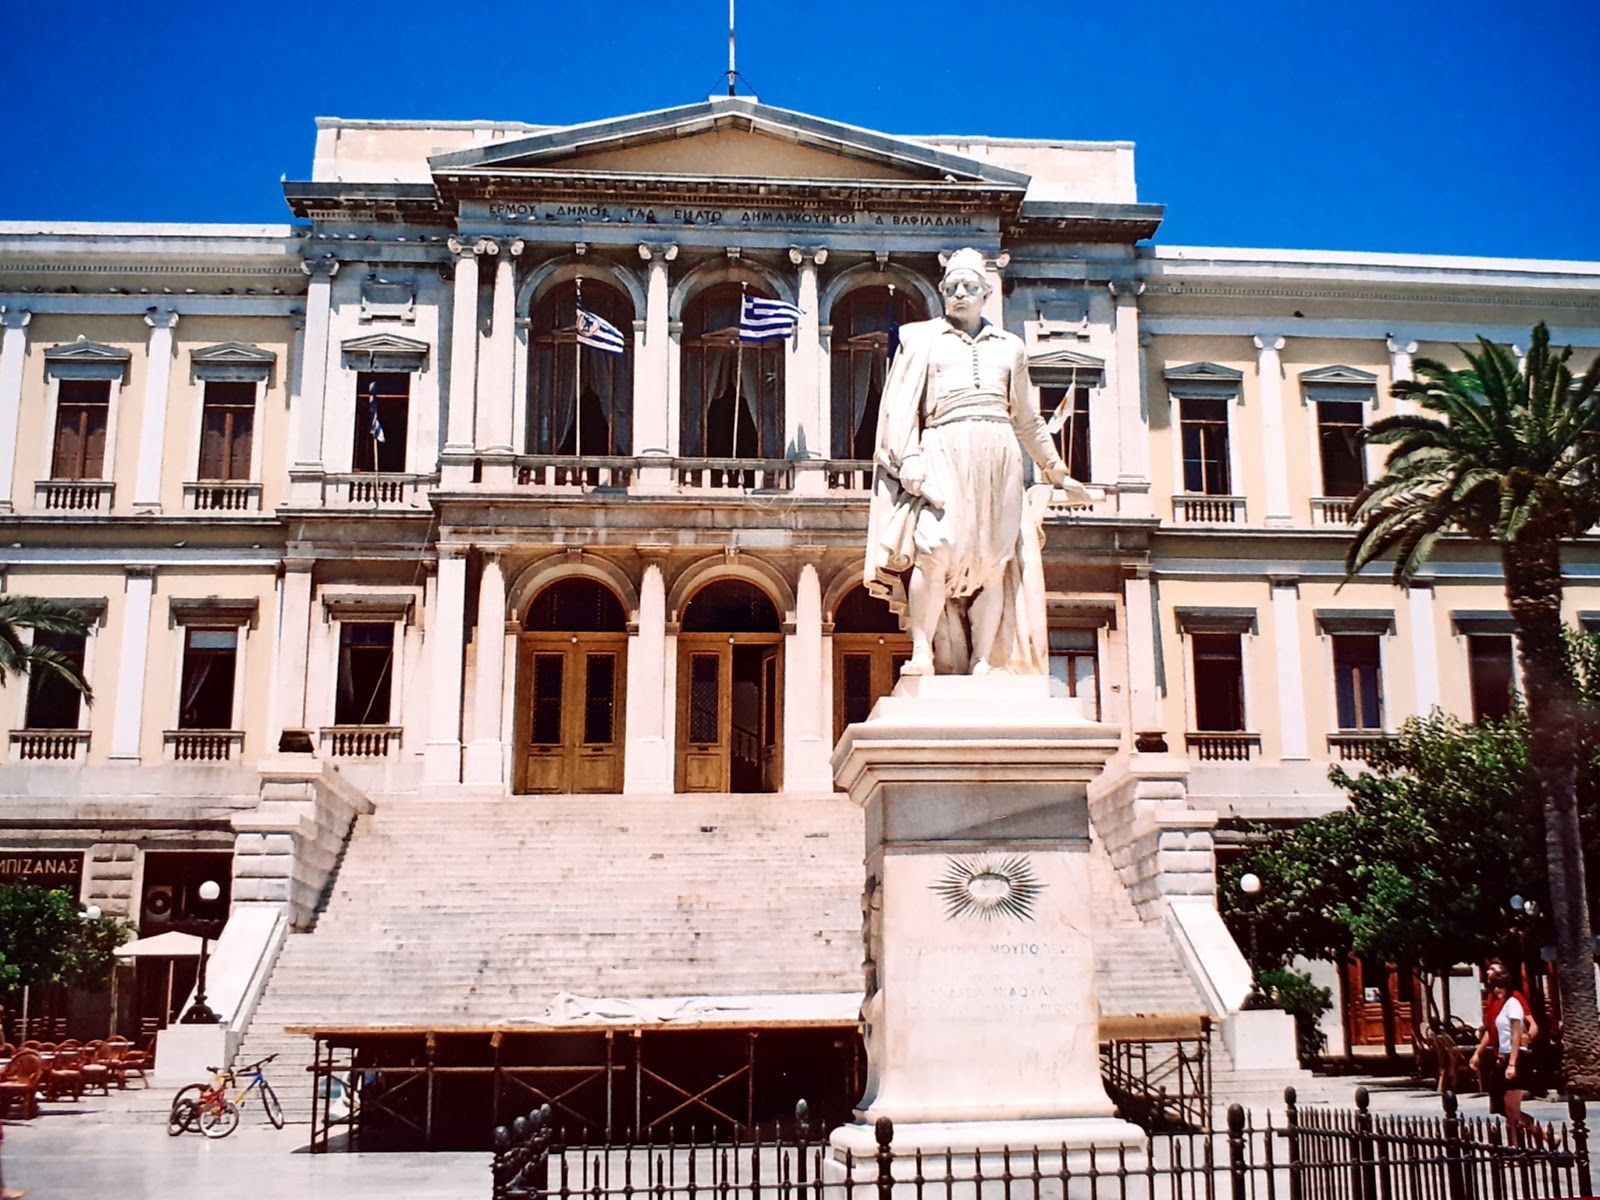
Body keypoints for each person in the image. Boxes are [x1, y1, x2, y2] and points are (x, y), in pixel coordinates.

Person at [865, 247, 1093, 676]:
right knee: (933, 548)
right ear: (942, 292)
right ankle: (922, 652)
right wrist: (910, 464)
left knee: (994, 560)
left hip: (999, 455)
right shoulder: (921, 339)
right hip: (943, 448)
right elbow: (899, 408)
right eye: (952, 288)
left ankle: (984, 658)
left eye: (969, 287)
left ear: (986, 292)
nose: (960, 294)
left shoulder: (1011, 347)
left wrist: (1057, 471)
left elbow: (1027, 419)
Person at [1469, 966, 1540, 1145]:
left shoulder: (1515, 1001)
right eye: (1493, 985)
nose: (1495, 988)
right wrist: (1478, 1052)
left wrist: (1525, 1042)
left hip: (1512, 1058)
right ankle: (1541, 1135)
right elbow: (1491, 1030)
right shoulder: (1494, 1001)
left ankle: (1519, 1146)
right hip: (1501, 1057)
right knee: (1501, 1107)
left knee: (1511, 1108)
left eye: (1498, 983)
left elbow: (1522, 1031)